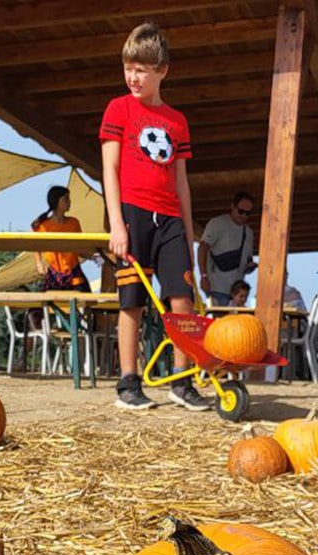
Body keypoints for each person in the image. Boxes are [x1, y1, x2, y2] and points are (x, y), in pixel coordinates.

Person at [102, 22, 204, 411]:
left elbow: (182, 183)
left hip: (171, 220)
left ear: (162, 71)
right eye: (129, 67)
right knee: (132, 300)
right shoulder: (119, 109)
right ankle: (129, 380)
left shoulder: (177, 121)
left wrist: (189, 236)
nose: (133, 76)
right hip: (132, 213)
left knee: (182, 300)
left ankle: (182, 380)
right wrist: (117, 224)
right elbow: (109, 168)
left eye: (142, 69)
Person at [199, 192, 256, 308]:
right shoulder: (218, 224)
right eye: (241, 211)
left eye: (248, 213)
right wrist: (204, 276)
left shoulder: (249, 233)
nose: (244, 216)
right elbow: (202, 247)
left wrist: (250, 267)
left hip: (237, 295)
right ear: (232, 207)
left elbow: (246, 262)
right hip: (216, 290)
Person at [30, 185, 91, 293]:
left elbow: (80, 248)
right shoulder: (42, 225)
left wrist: (94, 256)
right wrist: (39, 263)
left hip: (74, 273)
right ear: (56, 201)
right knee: (42, 307)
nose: (69, 202)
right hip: (53, 275)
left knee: (88, 303)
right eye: (66, 199)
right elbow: (34, 245)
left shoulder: (74, 223)